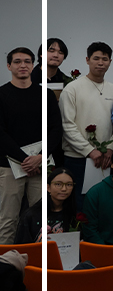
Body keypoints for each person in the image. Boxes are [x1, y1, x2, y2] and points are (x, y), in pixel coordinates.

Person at [0, 48, 60, 244]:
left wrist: (40, 158)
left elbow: (56, 129)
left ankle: (39, 263)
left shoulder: (47, 95)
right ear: (9, 66)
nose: (23, 65)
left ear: (33, 65)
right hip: (8, 166)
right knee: (7, 219)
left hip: (41, 166)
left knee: (41, 220)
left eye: (27, 61)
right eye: (17, 61)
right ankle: (5, 266)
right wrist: (25, 160)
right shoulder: (2, 94)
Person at [59, 41, 113, 210]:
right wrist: (90, 151)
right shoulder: (72, 89)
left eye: (105, 59)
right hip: (77, 158)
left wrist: (110, 148)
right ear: (87, 60)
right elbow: (67, 125)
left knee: (103, 203)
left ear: (110, 62)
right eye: (96, 58)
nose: (101, 63)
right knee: (78, 204)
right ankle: (80, 237)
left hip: (105, 159)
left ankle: (99, 237)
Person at [17, 168, 79, 244]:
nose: (64, 189)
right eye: (58, 184)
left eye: (69, 185)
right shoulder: (31, 215)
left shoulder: (74, 214)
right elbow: (21, 247)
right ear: (48, 187)